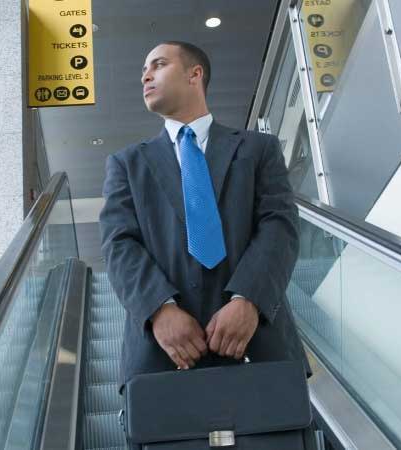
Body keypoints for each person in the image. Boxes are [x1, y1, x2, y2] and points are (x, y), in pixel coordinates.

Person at [99, 41, 310, 442]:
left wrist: (248, 299)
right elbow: (118, 243)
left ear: (195, 74)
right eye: (144, 69)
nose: (145, 75)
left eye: (158, 65)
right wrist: (160, 310)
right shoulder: (126, 164)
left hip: (260, 349)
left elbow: (279, 225)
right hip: (161, 360)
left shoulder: (258, 149)